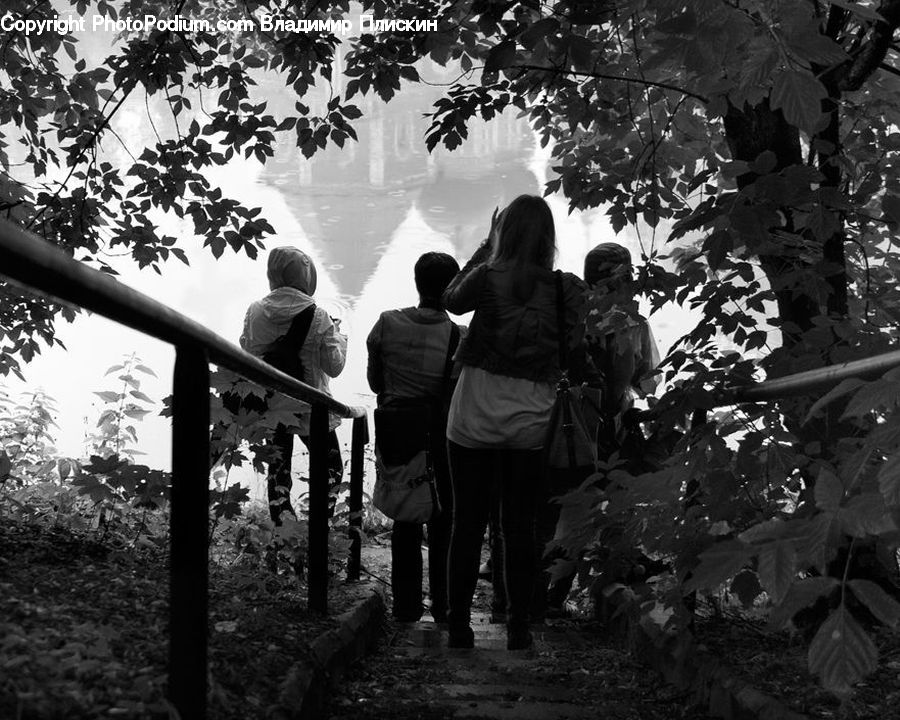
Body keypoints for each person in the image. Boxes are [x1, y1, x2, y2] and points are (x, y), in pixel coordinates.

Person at [442, 195, 587, 650]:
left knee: (466, 522)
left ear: (503, 233)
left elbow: (450, 300)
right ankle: (519, 626)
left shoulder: (486, 276)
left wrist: (487, 248)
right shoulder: (568, 289)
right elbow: (574, 348)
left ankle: (460, 627)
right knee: (520, 525)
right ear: (549, 237)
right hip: (531, 418)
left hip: (474, 414)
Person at [366, 252, 462, 623]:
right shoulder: (458, 336)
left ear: (417, 281)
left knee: (405, 515)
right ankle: (444, 606)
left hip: (395, 428)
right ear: (453, 289)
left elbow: (376, 382)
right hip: (438, 434)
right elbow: (454, 395)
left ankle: (406, 607)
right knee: (443, 516)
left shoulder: (386, 324)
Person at [240, 246, 347, 525]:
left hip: (272, 405)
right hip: (313, 408)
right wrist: (339, 337)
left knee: (279, 473)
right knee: (332, 469)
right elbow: (334, 367)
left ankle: (283, 534)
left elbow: (248, 353)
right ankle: (319, 529)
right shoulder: (320, 316)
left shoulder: (255, 311)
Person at [581, 242, 659, 461]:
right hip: (613, 425)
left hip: (569, 419)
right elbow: (646, 381)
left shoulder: (574, 314)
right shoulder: (632, 322)